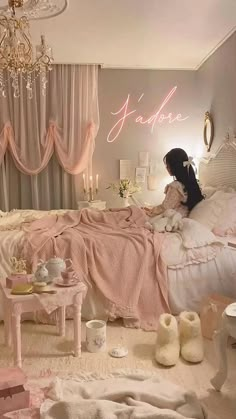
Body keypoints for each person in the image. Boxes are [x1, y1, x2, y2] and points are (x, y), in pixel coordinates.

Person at [145, 148, 204, 217]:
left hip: (172, 218)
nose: (166, 168)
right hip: (181, 216)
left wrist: (150, 211)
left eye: (168, 165)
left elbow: (165, 208)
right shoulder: (192, 185)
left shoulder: (176, 186)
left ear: (175, 167)